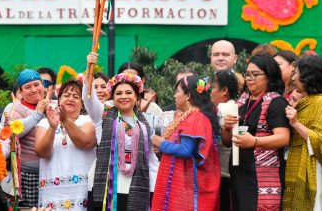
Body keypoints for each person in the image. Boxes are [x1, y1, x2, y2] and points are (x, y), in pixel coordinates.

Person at [223, 54, 290, 210]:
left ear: (269, 76)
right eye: (247, 74)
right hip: (240, 173)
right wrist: (226, 126)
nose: (250, 78)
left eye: (255, 74)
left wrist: (254, 142)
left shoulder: (275, 102)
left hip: (264, 176)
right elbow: (227, 141)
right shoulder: (242, 101)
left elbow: (284, 137)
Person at [151, 75, 221, 210]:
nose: (174, 95)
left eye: (177, 91)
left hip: (191, 189)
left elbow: (185, 150)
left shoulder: (196, 117)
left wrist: (162, 144)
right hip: (186, 186)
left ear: (188, 95)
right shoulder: (190, 116)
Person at [90, 73, 158, 211]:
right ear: (112, 97)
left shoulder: (147, 123)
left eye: (128, 92)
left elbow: (150, 158)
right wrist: (89, 69)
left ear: (137, 96)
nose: (123, 96)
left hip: (137, 185)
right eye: (118, 93)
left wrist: (155, 186)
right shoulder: (103, 117)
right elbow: (88, 98)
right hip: (106, 187)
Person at [283, 56, 322, 210]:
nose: (293, 78)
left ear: (307, 76)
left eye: (296, 73)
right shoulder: (304, 101)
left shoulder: (321, 102)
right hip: (295, 162)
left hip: (314, 168)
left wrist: (296, 123)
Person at [34, 80, 96, 210]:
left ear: (82, 103)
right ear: (59, 99)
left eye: (76, 96)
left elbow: (85, 143)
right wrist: (52, 127)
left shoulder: (89, 121)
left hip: (82, 191)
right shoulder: (45, 123)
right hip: (52, 192)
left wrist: (65, 120)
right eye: (66, 95)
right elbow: (41, 152)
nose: (71, 99)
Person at [1, 69, 50, 208]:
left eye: (37, 84)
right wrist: (38, 113)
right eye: (28, 87)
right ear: (20, 91)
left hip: (52, 172)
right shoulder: (15, 109)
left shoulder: (52, 105)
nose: (34, 89)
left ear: (43, 85)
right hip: (29, 175)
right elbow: (14, 133)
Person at [209, 70, 239, 211]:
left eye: (213, 87)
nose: (210, 92)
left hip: (223, 177)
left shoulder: (223, 109)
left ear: (224, 91)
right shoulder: (233, 106)